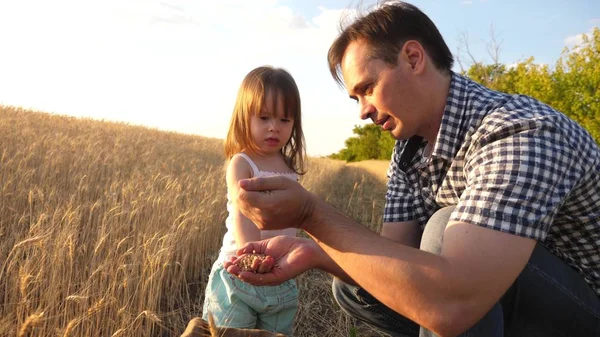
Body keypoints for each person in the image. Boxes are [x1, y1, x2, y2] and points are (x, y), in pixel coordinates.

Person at [223, 2, 600, 337]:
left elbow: (453, 304)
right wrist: (317, 254)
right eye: (356, 97)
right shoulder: (409, 149)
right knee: (356, 284)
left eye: (367, 88)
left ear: (414, 58)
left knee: (442, 228)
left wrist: (310, 214)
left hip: (586, 308)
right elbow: (393, 252)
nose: (363, 111)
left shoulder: (517, 131)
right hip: (496, 298)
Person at [202, 65, 307, 336]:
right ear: (244, 118)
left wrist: (281, 262)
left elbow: (292, 219)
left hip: (279, 278)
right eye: (264, 117)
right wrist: (253, 258)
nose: (274, 127)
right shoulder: (242, 163)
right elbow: (243, 213)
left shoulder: (289, 169)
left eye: (285, 120)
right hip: (240, 274)